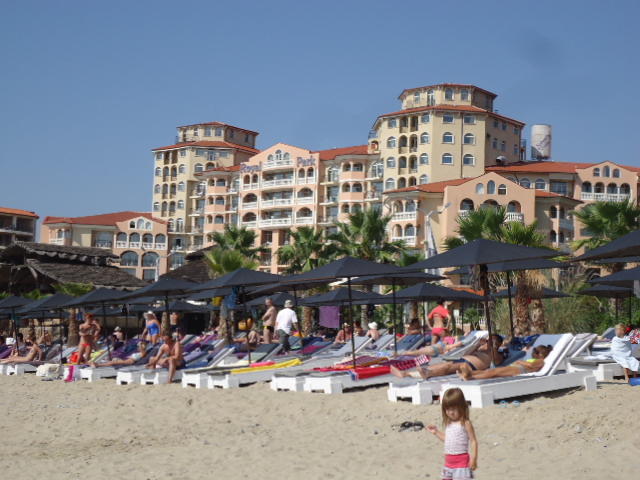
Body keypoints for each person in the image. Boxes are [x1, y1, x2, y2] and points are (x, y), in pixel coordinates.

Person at [391, 334, 505, 380]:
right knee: (442, 365)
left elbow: (497, 361)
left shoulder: (497, 354)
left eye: (492, 340)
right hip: (463, 360)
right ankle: (406, 374)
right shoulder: (482, 349)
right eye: (489, 340)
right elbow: (467, 353)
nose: (488, 342)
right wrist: (477, 345)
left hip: (470, 366)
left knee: (447, 367)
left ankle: (428, 373)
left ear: (497, 344)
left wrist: (494, 346)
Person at [427, 388, 478, 479]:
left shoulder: (465, 423)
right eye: (447, 409)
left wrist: (474, 459)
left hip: (462, 463)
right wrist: (436, 432)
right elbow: (448, 440)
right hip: (448, 463)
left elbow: (473, 441)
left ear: (461, 407)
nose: (450, 412)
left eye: (454, 409)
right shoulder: (449, 423)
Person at [458, 344, 553, 380]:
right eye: (534, 350)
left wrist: (520, 362)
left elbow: (531, 365)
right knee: (490, 371)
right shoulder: (537, 359)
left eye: (536, 352)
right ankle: (469, 373)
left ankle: (470, 376)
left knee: (494, 373)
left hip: (520, 370)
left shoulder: (541, 361)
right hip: (517, 368)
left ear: (542, 355)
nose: (533, 352)